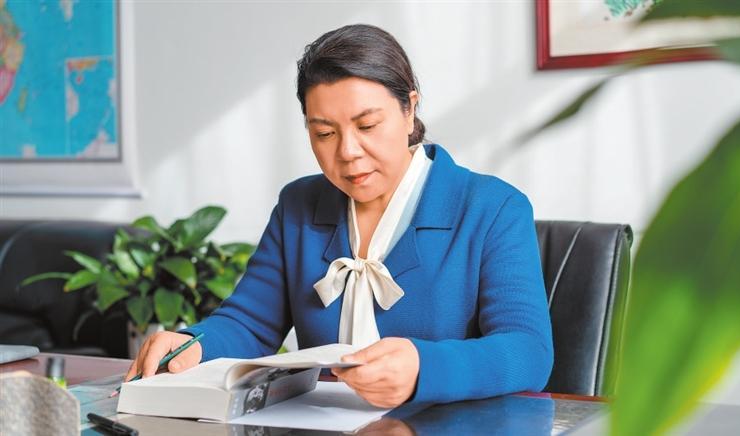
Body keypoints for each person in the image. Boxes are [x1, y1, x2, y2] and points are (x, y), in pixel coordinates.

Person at [126, 24, 553, 408]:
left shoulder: (492, 208)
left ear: (409, 109)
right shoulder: (298, 205)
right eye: (325, 133)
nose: (347, 152)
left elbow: (528, 351)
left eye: (367, 126)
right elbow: (249, 323)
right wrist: (192, 344)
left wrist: (424, 367)